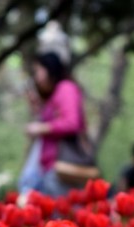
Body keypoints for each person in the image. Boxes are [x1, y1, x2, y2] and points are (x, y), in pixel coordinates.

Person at [18, 52, 87, 198]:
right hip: (49, 167)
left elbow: (72, 123)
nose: (36, 77)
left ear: (50, 69)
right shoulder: (54, 95)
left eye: (38, 71)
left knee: (59, 215)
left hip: (61, 165)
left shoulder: (66, 88)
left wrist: (41, 128)